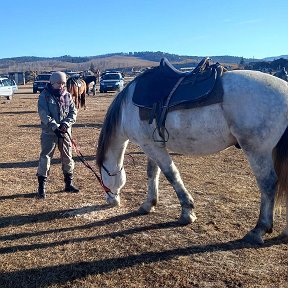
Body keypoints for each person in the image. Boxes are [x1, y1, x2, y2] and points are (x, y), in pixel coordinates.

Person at [36, 71, 79, 198]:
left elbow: (73, 111)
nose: (61, 86)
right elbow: (44, 114)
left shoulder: (67, 95)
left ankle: (68, 184)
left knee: (68, 157)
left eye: (63, 83)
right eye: (59, 83)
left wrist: (66, 124)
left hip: (65, 132)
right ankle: (41, 187)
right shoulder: (44, 96)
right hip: (49, 133)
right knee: (46, 157)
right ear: (52, 82)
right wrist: (55, 127)